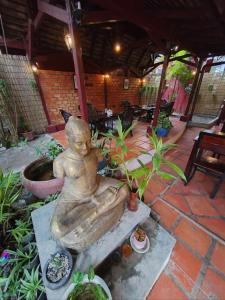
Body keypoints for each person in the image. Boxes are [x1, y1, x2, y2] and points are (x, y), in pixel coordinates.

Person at [51, 116, 129, 252]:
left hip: (97, 185)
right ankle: (97, 202)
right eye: (79, 143)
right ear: (68, 139)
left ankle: (93, 214)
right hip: (73, 197)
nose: (85, 148)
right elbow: (60, 180)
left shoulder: (95, 151)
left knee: (124, 190)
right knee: (57, 230)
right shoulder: (60, 161)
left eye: (88, 141)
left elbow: (104, 162)